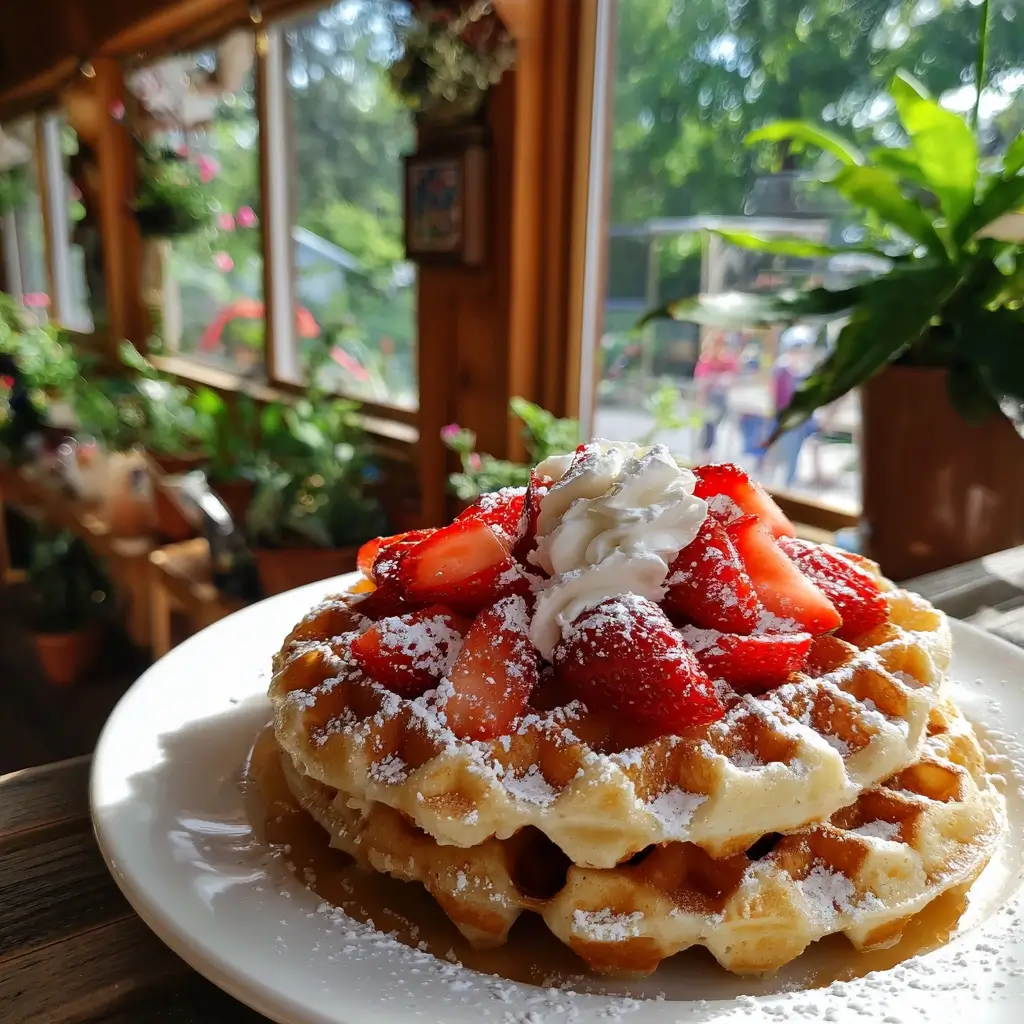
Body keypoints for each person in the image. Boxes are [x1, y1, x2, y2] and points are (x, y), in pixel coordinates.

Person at [768, 325, 819, 487]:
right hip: (787, 420)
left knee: (796, 456)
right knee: (787, 457)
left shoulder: (807, 369)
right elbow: (777, 397)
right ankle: (785, 488)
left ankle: (789, 485)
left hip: (804, 419)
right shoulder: (782, 368)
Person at [693, 330, 738, 455]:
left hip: (723, 400)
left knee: (722, 428)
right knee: (709, 426)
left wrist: (718, 379)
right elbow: (701, 381)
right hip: (709, 400)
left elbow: (731, 378)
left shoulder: (728, 361)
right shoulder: (706, 360)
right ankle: (707, 450)